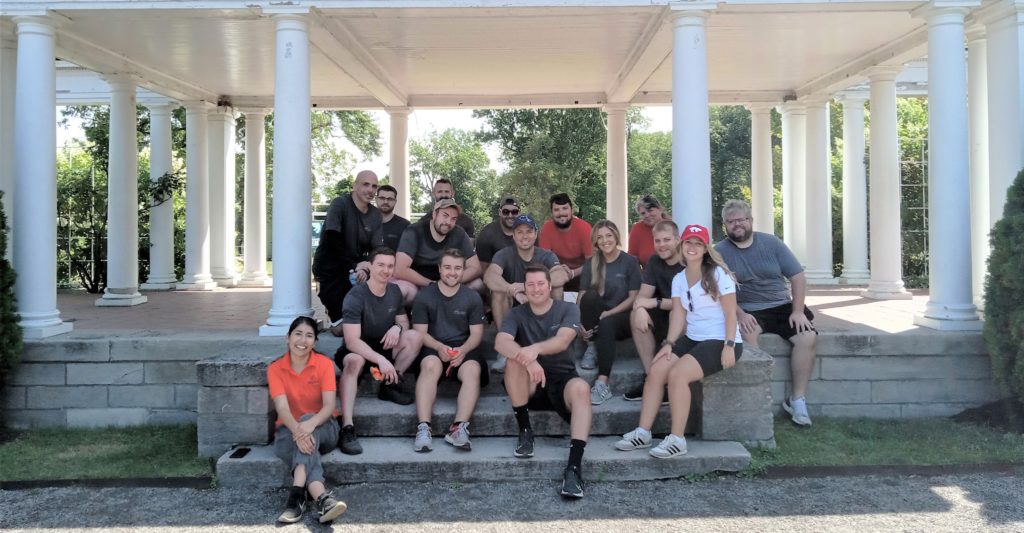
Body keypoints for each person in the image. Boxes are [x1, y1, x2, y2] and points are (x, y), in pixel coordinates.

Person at [615, 224, 743, 458]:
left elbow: (730, 313)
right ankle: (643, 433)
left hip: (719, 339)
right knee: (656, 370)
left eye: (698, 243)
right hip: (692, 337)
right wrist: (670, 343)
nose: (692, 247)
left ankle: (677, 439)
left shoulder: (717, 274)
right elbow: (679, 314)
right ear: (682, 245)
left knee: (677, 375)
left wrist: (729, 345)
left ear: (705, 248)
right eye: (688, 242)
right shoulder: (679, 279)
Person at [714, 199, 817, 426]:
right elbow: (718, 289)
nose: (737, 225)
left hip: (781, 305)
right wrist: (739, 313)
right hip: (748, 308)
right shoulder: (719, 252)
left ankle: (797, 399)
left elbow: (797, 277)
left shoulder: (772, 244)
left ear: (750, 220)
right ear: (725, 226)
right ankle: (759, 398)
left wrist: (798, 311)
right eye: (731, 222)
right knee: (748, 338)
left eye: (741, 220)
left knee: (807, 337)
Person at [495, 265, 591, 499]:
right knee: (514, 362)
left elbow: (562, 341)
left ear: (550, 286)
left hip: (562, 379)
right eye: (531, 285)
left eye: (540, 284)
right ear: (524, 289)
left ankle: (574, 468)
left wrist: (534, 350)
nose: (536, 289)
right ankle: (525, 431)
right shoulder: (517, 313)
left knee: (582, 388)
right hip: (531, 383)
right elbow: (500, 342)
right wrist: (528, 361)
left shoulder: (568, 309)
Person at [337, 247, 423, 455]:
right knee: (354, 361)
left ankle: (389, 385)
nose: (385, 270)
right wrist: (380, 360)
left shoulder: (394, 291)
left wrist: (398, 327)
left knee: (415, 337)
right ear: (371, 267)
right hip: (359, 348)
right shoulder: (355, 296)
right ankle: (346, 426)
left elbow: (403, 321)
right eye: (381, 265)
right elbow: (351, 341)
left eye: (390, 266)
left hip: (384, 345)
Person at [268, 316, 348, 524]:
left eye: (309, 336)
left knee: (306, 421)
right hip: (288, 432)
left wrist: (308, 425)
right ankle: (323, 499)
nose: (303, 340)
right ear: (287, 338)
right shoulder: (275, 368)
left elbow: (329, 406)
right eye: (298, 334)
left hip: (325, 426)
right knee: (303, 442)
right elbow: (282, 408)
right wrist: (298, 430)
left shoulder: (323, 364)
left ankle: (295, 497)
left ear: (315, 342)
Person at [409, 249, 488, 452]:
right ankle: (423, 427)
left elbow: (476, 335)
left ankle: (458, 427)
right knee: (430, 364)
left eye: (457, 268)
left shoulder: (472, 297)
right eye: (447, 267)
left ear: (463, 271)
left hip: (463, 346)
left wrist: (463, 350)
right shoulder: (424, 296)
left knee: (472, 369)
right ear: (439, 269)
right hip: (434, 345)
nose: (452, 272)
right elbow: (420, 333)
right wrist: (439, 347)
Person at [484, 214, 567, 370]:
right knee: (498, 292)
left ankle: (553, 341)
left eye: (529, 231)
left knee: (557, 287)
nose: (524, 236)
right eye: (520, 232)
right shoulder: (504, 254)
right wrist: (512, 290)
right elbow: (490, 276)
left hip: (539, 304)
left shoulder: (546, 255)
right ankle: (505, 349)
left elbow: (560, 275)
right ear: (513, 236)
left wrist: (525, 287)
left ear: (535, 234)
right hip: (513, 308)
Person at [312, 170, 384, 336]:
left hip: (357, 271)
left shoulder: (375, 214)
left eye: (374, 186)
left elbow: (376, 250)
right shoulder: (340, 204)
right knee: (341, 330)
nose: (370, 190)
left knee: (372, 320)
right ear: (355, 186)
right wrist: (355, 265)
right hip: (330, 271)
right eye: (365, 184)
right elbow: (331, 241)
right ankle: (334, 318)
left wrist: (366, 267)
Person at [578, 220, 641, 405]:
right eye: (599, 237)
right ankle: (591, 344)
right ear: (595, 242)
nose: (605, 240)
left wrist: (610, 313)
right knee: (589, 297)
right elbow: (582, 295)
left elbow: (633, 298)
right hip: (598, 316)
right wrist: (578, 322)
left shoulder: (630, 261)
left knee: (606, 322)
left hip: (623, 317)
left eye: (608, 235)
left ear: (616, 237)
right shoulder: (591, 263)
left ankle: (602, 384)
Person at [626, 220, 684, 401]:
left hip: (687, 319)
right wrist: (641, 307)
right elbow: (642, 297)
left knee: (678, 313)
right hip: (663, 315)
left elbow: (687, 303)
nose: (661, 245)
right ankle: (651, 378)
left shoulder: (689, 261)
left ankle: (665, 382)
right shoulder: (654, 261)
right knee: (636, 314)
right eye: (657, 241)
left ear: (678, 240)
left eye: (666, 240)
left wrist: (654, 302)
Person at [395, 199, 482, 304]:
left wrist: (451, 282)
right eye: (445, 216)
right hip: (418, 283)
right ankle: (403, 318)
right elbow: (400, 269)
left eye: (453, 219)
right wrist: (432, 284)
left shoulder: (459, 233)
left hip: (450, 281)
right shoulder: (414, 231)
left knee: (478, 284)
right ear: (434, 214)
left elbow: (476, 268)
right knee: (401, 289)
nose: (448, 222)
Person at [539, 192, 592, 295]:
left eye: (564, 208)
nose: (561, 213)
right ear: (552, 212)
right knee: (552, 283)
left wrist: (572, 273)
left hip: (582, 272)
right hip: (556, 270)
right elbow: (544, 261)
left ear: (571, 210)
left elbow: (592, 262)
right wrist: (558, 270)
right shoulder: (547, 228)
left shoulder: (584, 228)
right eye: (556, 210)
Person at [475, 195, 522, 272]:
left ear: (519, 213)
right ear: (500, 212)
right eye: (506, 212)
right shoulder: (487, 235)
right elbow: (484, 270)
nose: (510, 216)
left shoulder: (527, 232)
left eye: (514, 212)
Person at [627, 194, 672, 268]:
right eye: (643, 213)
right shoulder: (637, 229)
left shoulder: (672, 226)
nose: (647, 215)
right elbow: (632, 259)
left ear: (660, 209)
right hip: (647, 277)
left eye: (650, 210)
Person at [377, 184, 410, 252]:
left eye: (390, 199)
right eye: (382, 198)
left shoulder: (405, 225)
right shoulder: (367, 223)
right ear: (376, 199)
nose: (385, 202)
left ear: (395, 201)